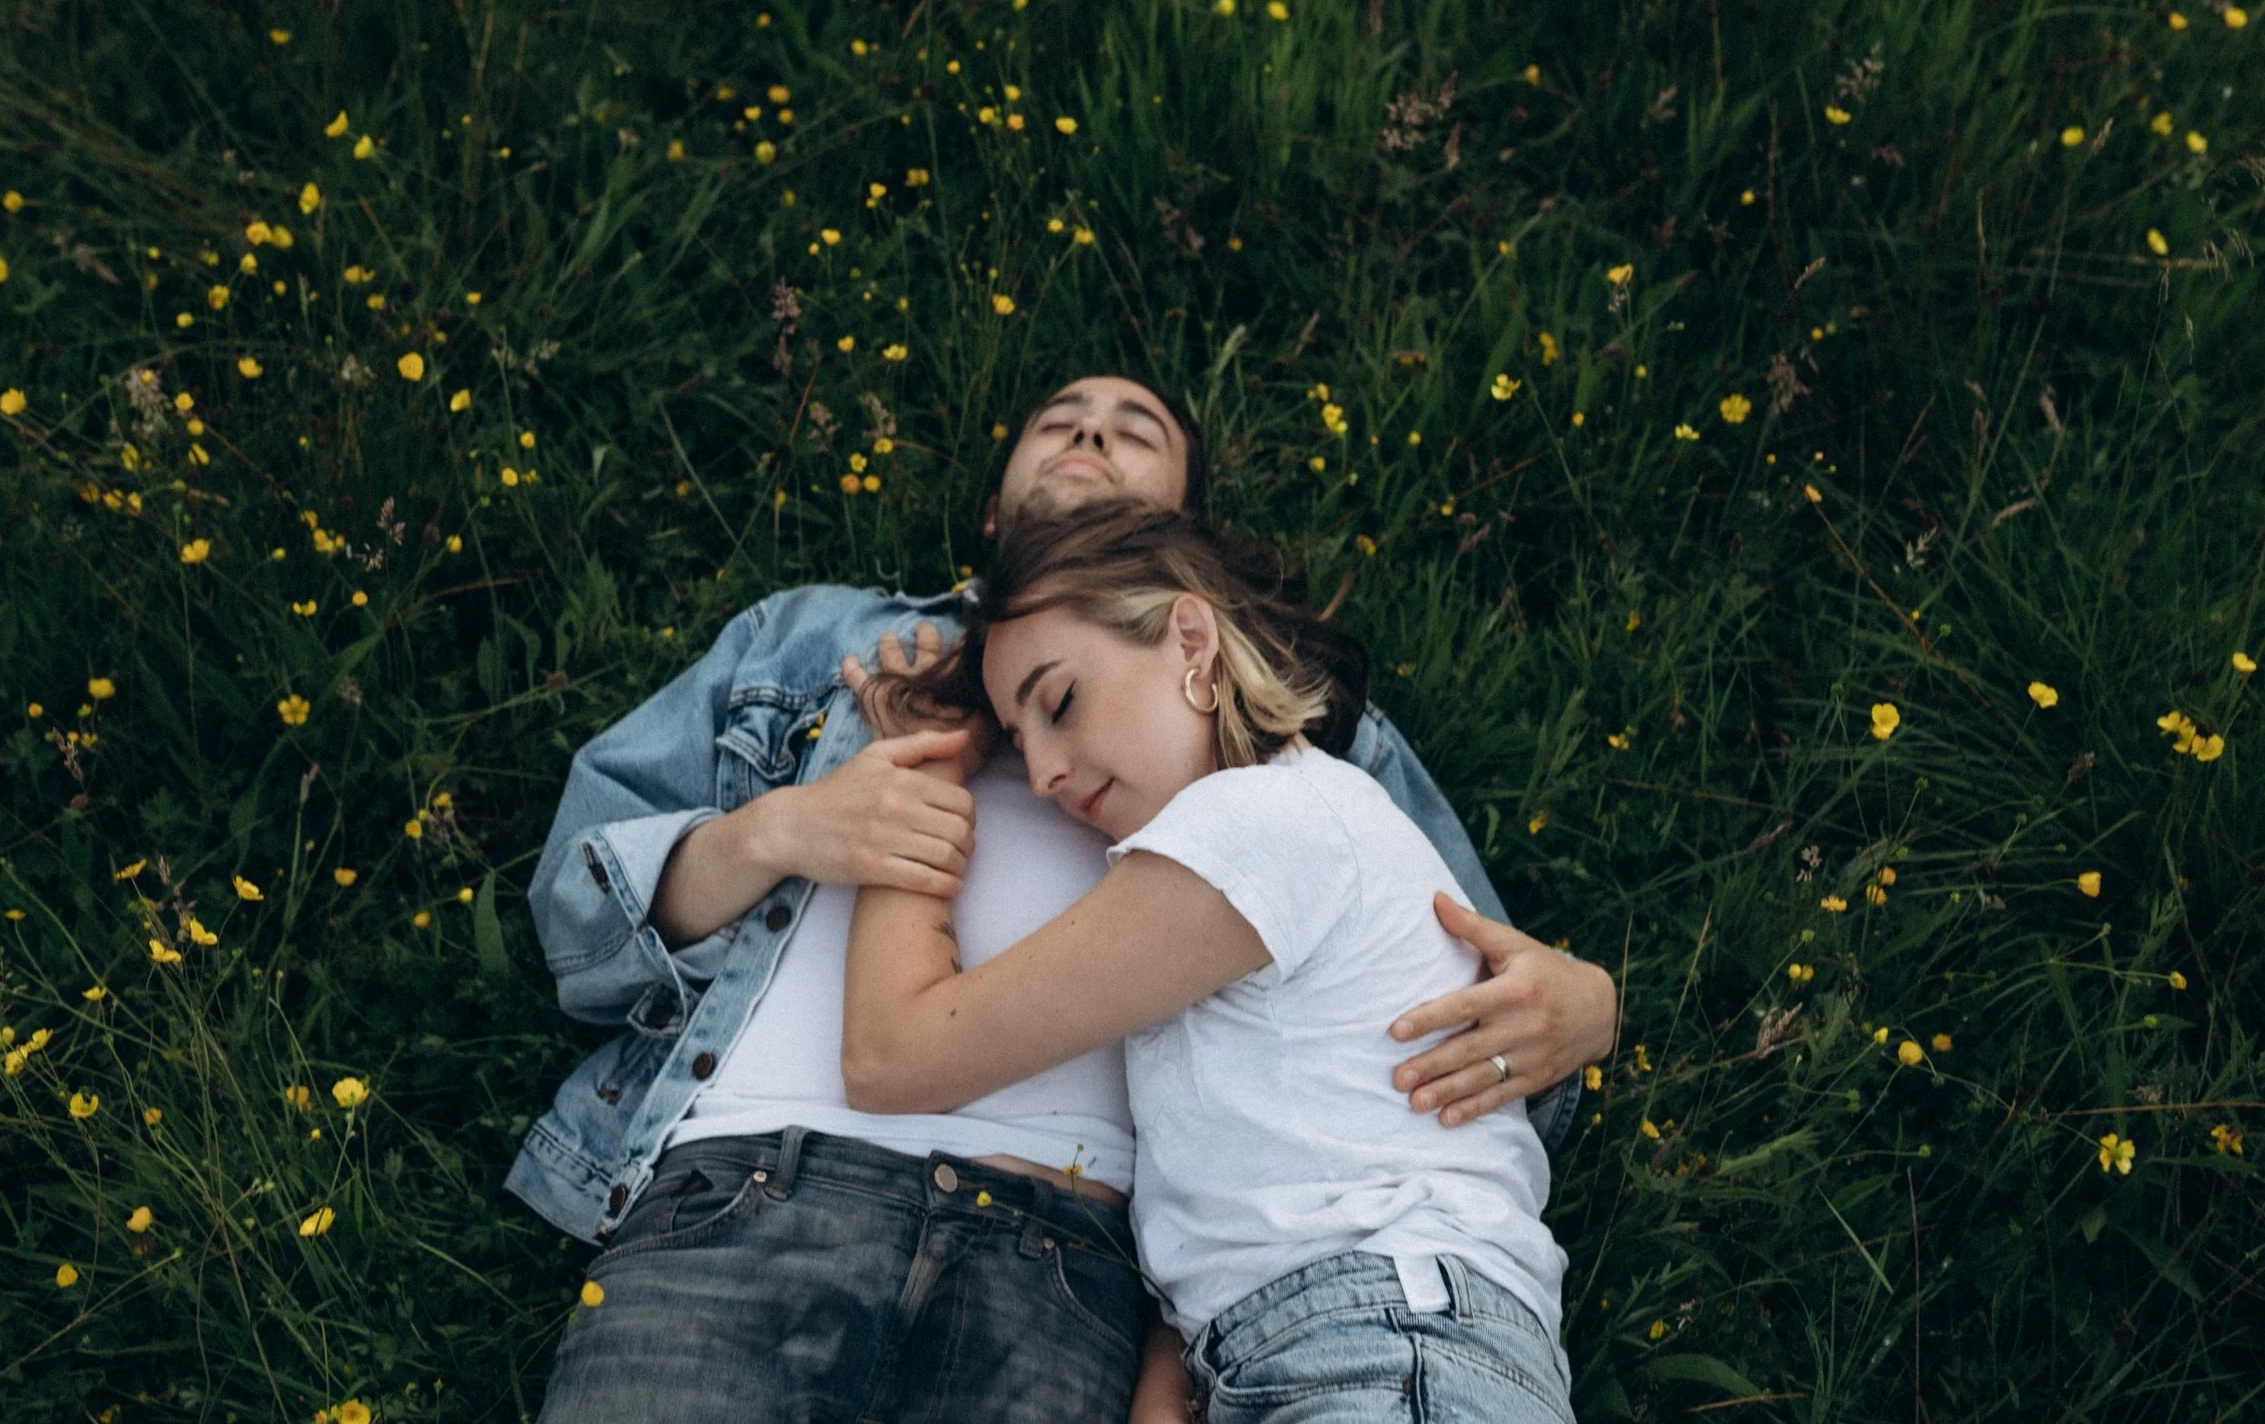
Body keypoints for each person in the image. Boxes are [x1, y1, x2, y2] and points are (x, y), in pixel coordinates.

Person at [510, 375, 1616, 1423]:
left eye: (1137, 430)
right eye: (1060, 420)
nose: (1091, 433)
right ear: (995, 515)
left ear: (1179, 560)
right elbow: (574, 918)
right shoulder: (815, 641)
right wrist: (781, 829)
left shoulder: (1299, 746)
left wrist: (1585, 1006)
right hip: (749, 1183)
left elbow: (1452, 1002)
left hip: (1072, 1260)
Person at [840, 499, 1573, 1423]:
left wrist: (920, 770)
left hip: (1389, 1340)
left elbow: (890, 1054)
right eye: (1019, 742)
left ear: (1191, 639)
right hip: (1318, 1344)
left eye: (1059, 703)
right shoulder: (1262, 845)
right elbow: (1245, 1178)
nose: (1044, 773)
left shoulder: (1256, 825)